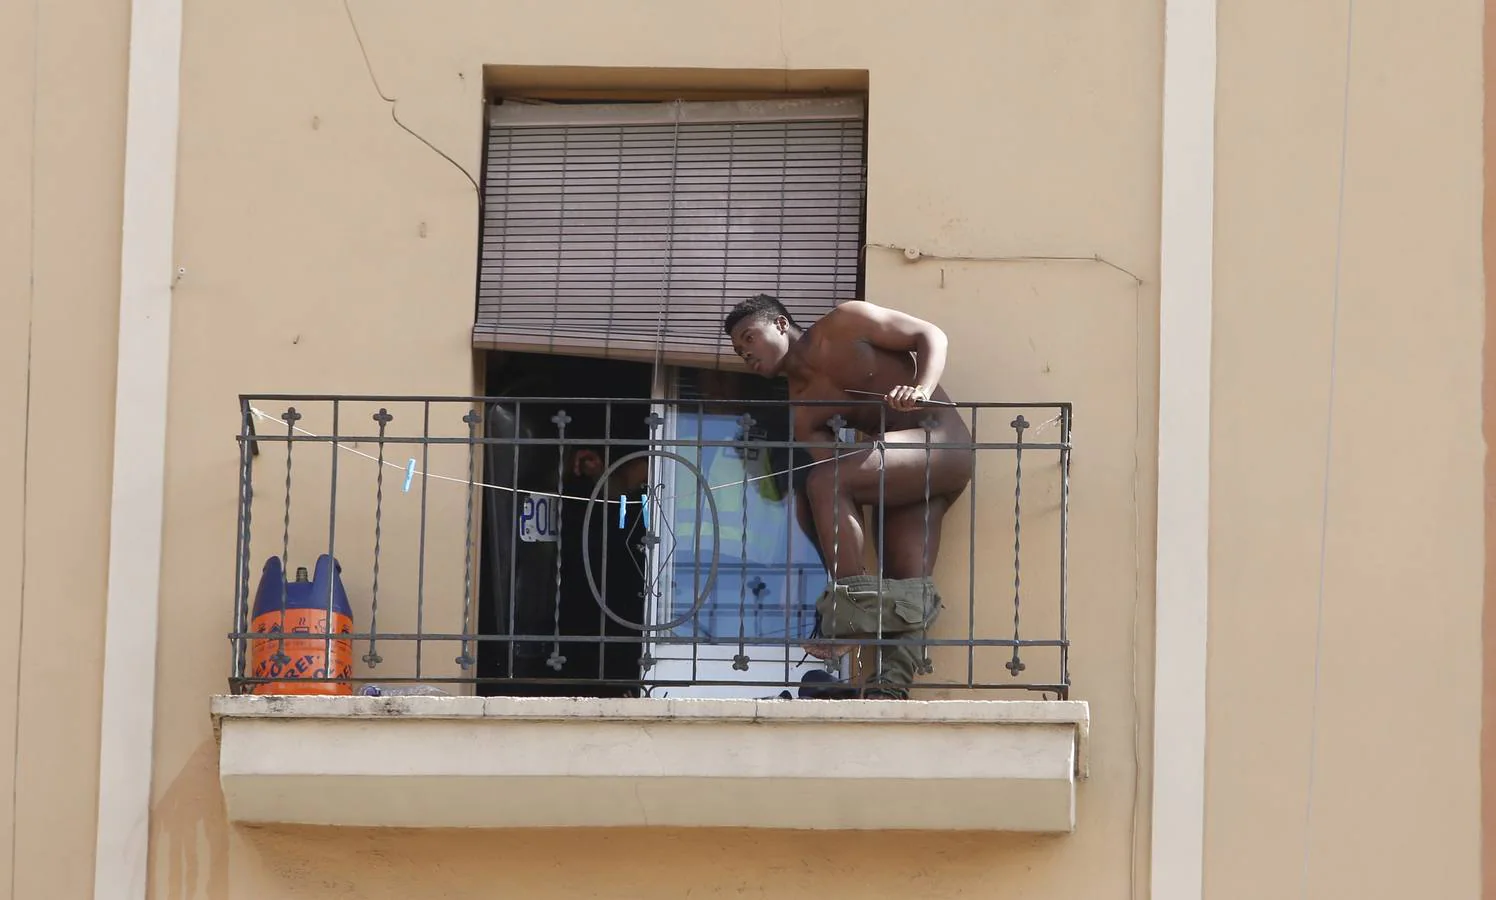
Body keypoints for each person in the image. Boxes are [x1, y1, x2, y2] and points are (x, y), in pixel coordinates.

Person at [723, 294, 974, 698]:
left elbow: (930, 335)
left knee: (822, 482)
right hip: (902, 473)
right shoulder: (803, 407)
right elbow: (837, 471)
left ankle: (849, 614)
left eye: (749, 338)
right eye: (738, 350)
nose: (744, 353)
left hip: (940, 443)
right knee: (907, 582)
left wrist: (921, 389)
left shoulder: (845, 321)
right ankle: (887, 689)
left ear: (782, 325)